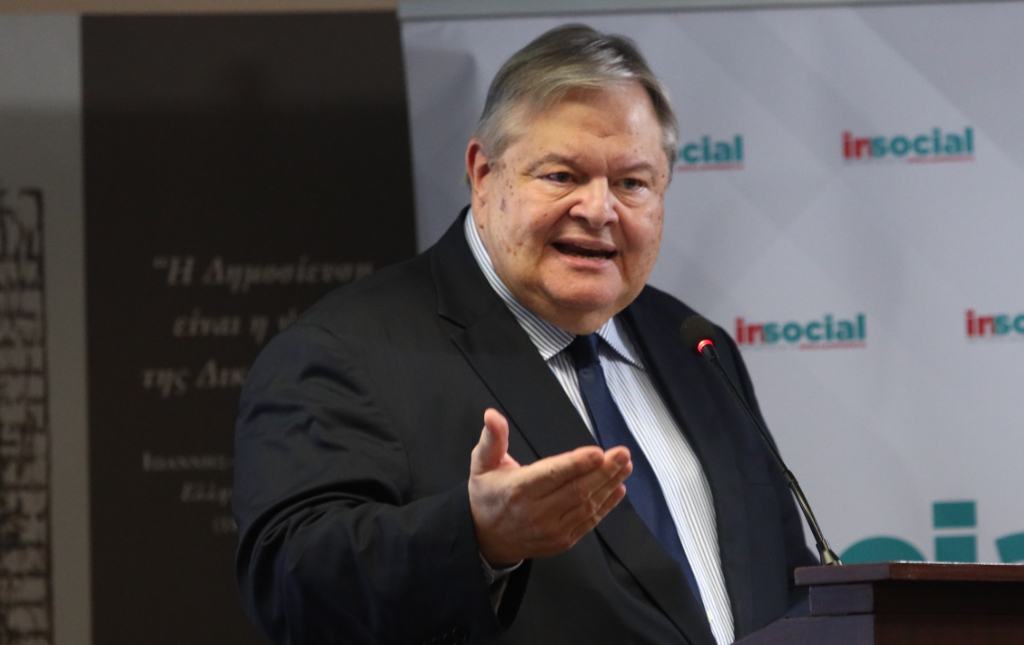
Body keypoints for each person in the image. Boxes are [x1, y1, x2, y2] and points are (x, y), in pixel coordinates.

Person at [233, 24, 815, 645]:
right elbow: (288, 587)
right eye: (562, 175)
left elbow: (780, 582)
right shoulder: (345, 351)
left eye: (632, 183)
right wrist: (477, 537)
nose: (599, 210)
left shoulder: (695, 346)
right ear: (484, 175)